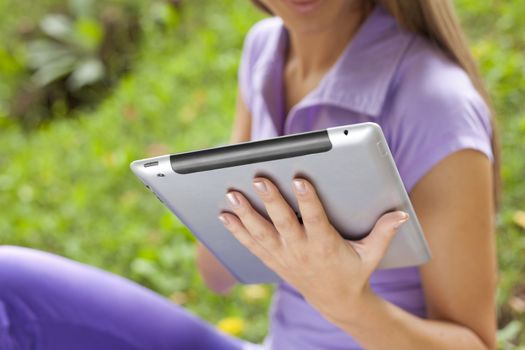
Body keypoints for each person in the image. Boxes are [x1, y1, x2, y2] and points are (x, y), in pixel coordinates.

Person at [0, 0, 499, 349]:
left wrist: (348, 302)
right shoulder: (265, 50)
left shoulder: (434, 102)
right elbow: (215, 274)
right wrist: (214, 201)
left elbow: (474, 344)